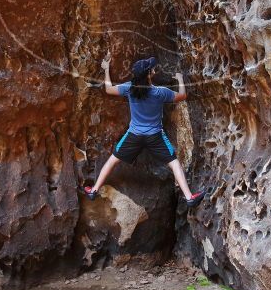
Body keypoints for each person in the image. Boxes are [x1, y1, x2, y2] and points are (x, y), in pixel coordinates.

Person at [82, 55, 206, 207]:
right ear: (149, 74)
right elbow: (182, 96)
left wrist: (106, 69)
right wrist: (180, 79)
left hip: (134, 135)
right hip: (155, 136)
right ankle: (189, 197)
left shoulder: (129, 88)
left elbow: (108, 89)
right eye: (151, 68)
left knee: (112, 160)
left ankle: (94, 190)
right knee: (174, 164)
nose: (153, 69)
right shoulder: (160, 92)